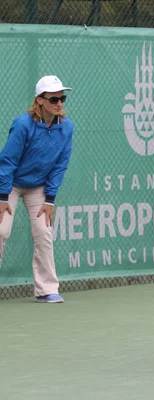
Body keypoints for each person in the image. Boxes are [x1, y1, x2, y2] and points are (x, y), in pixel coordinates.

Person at [0, 75, 74, 303]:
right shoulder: (23, 124)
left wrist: (50, 198)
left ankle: (46, 290)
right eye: (53, 99)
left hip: (38, 187)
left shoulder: (67, 127)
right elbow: (8, 160)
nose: (59, 103)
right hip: (10, 184)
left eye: (61, 98)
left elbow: (61, 164)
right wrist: (3, 196)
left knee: (44, 232)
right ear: (40, 100)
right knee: (1, 231)